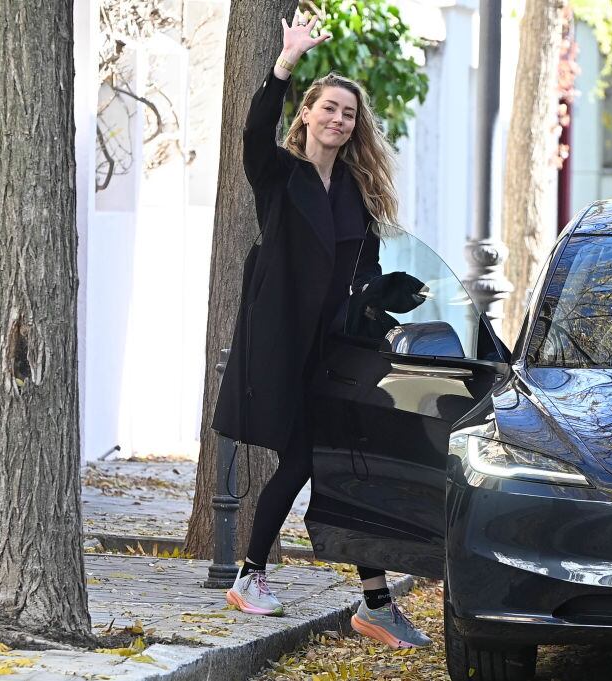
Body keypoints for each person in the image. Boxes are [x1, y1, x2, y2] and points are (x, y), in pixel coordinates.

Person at [210, 7, 433, 650]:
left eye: (349, 113)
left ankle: (370, 601)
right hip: (287, 347)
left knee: (337, 461)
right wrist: (285, 64)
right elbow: (255, 130)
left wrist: (385, 298)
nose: (338, 119)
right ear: (307, 114)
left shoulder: (357, 191)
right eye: (328, 108)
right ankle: (265, 579)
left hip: (339, 351)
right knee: (313, 458)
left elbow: (365, 269)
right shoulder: (280, 176)